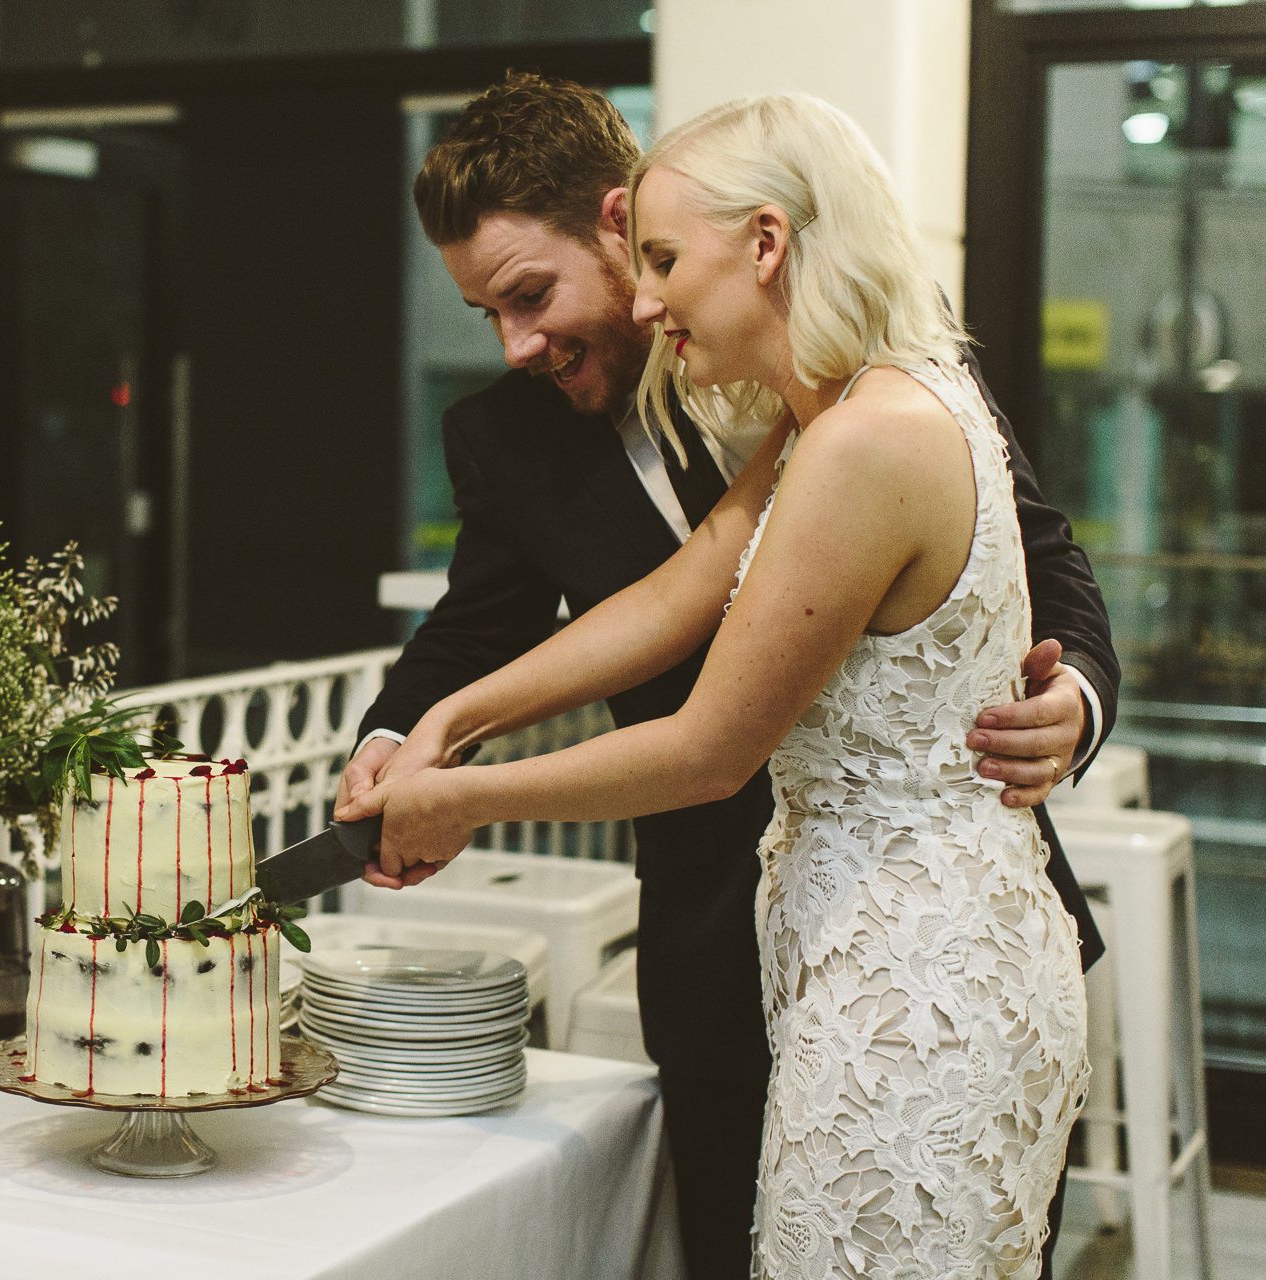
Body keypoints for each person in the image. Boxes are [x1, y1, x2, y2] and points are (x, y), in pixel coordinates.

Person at [338, 75, 1114, 1278]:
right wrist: (436, 721)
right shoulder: (808, 412)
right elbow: (682, 583)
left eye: (535, 294)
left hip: (914, 963)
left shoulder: (865, 404)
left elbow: (717, 740)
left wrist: (1077, 701)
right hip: (737, 931)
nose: (518, 342)